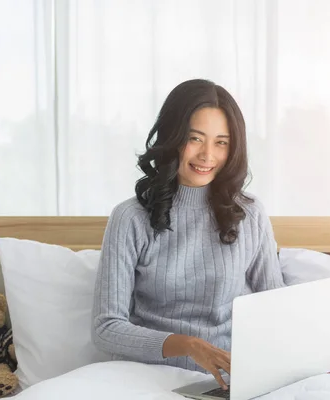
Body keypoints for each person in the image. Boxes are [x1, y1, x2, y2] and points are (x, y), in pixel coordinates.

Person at [91, 79, 286, 390]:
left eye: (221, 142)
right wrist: (187, 345)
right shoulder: (130, 218)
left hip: (227, 381)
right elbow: (106, 328)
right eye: (195, 139)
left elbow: (278, 310)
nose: (208, 155)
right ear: (173, 137)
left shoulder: (251, 215)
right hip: (146, 377)